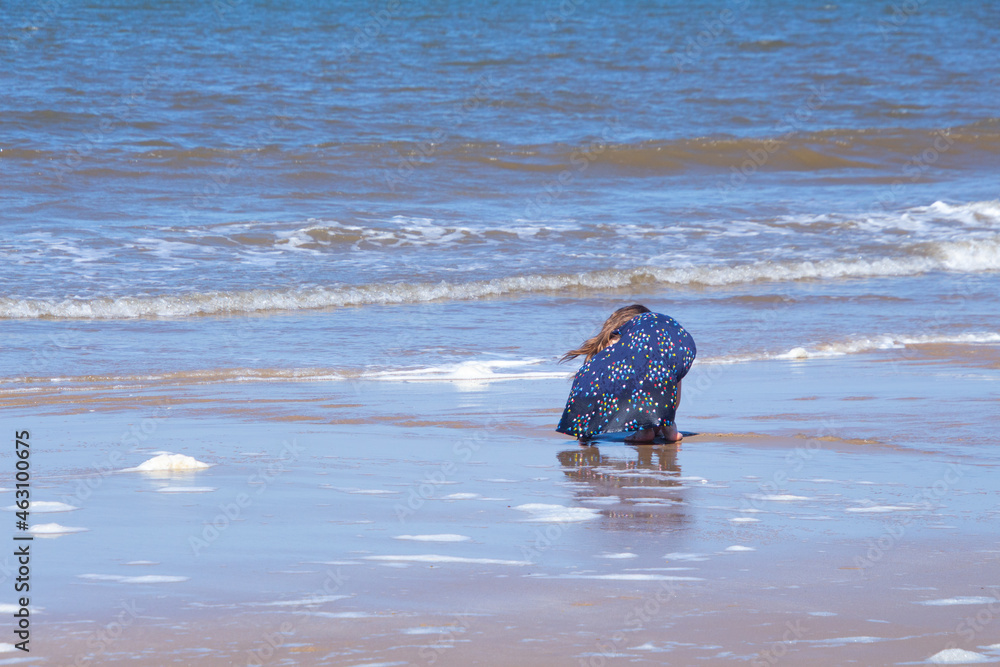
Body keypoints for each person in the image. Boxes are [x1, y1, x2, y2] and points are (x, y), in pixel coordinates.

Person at [556, 304, 696, 444]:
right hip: (675, 345)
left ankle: (645, 429)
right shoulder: (657, 342)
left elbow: (593, 389)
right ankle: (668, 427)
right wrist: (661, 420)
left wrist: (585, 431)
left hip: (633, 362)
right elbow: (670, 393)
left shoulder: (613, 342)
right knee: (666, 374)